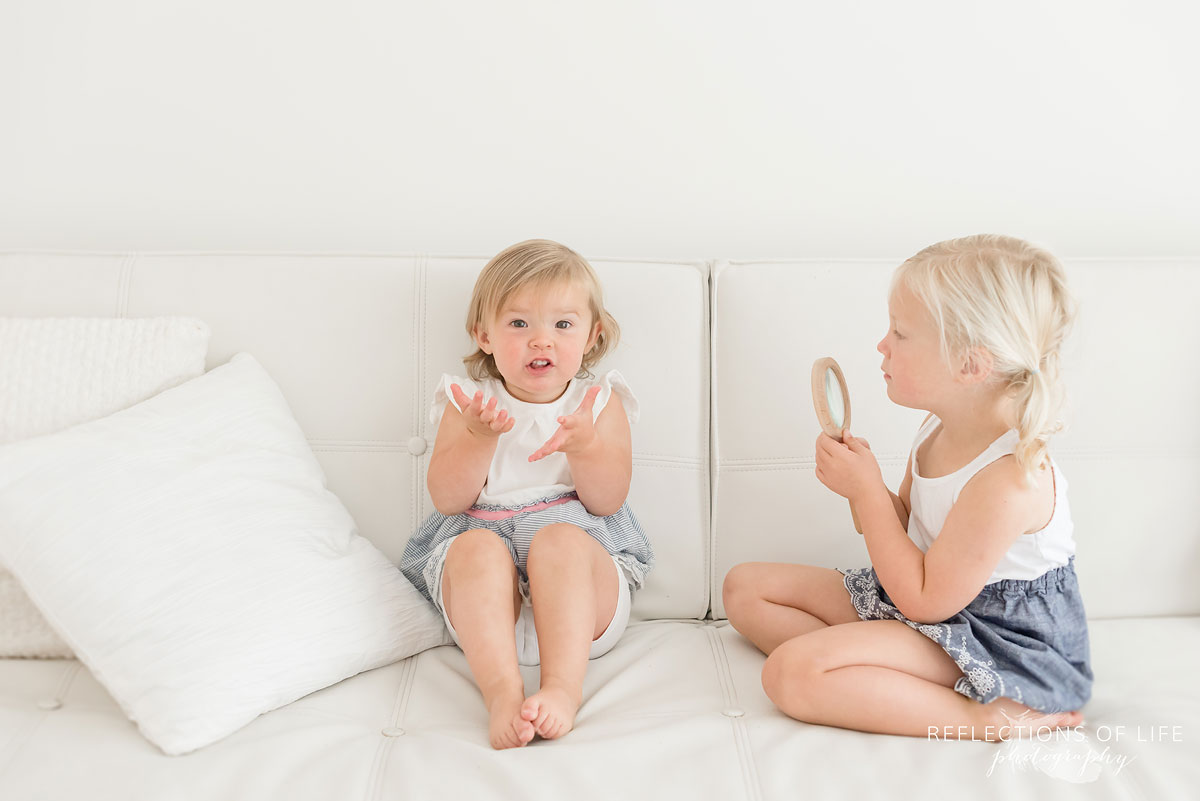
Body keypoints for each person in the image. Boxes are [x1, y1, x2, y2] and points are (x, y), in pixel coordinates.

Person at [723, 234, 1092, 740]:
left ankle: (979, 717)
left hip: (996, 639)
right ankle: (878, 668)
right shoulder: (937, 427)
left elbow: (923, 599)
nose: (882, 345)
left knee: (791, 673)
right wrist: (864, 489)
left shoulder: (1008, 479)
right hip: (926, 602)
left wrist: (867, 493)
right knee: (744, 589)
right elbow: (904, 531)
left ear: (970, 365)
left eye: (900, 333)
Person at [400, 239, 653, 749]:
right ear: (484, 335)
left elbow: (606, 501)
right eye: (520, 324)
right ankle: (502, 692)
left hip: (583, 611)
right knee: (473, 546)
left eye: (562, 325)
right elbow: (449, 499)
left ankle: (562, 688)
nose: (542, 341)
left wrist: (586, 449)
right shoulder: (467, 403)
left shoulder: (599, 404)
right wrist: (478, 440)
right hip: (488, 623)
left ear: (591, 335)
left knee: (560, 540)